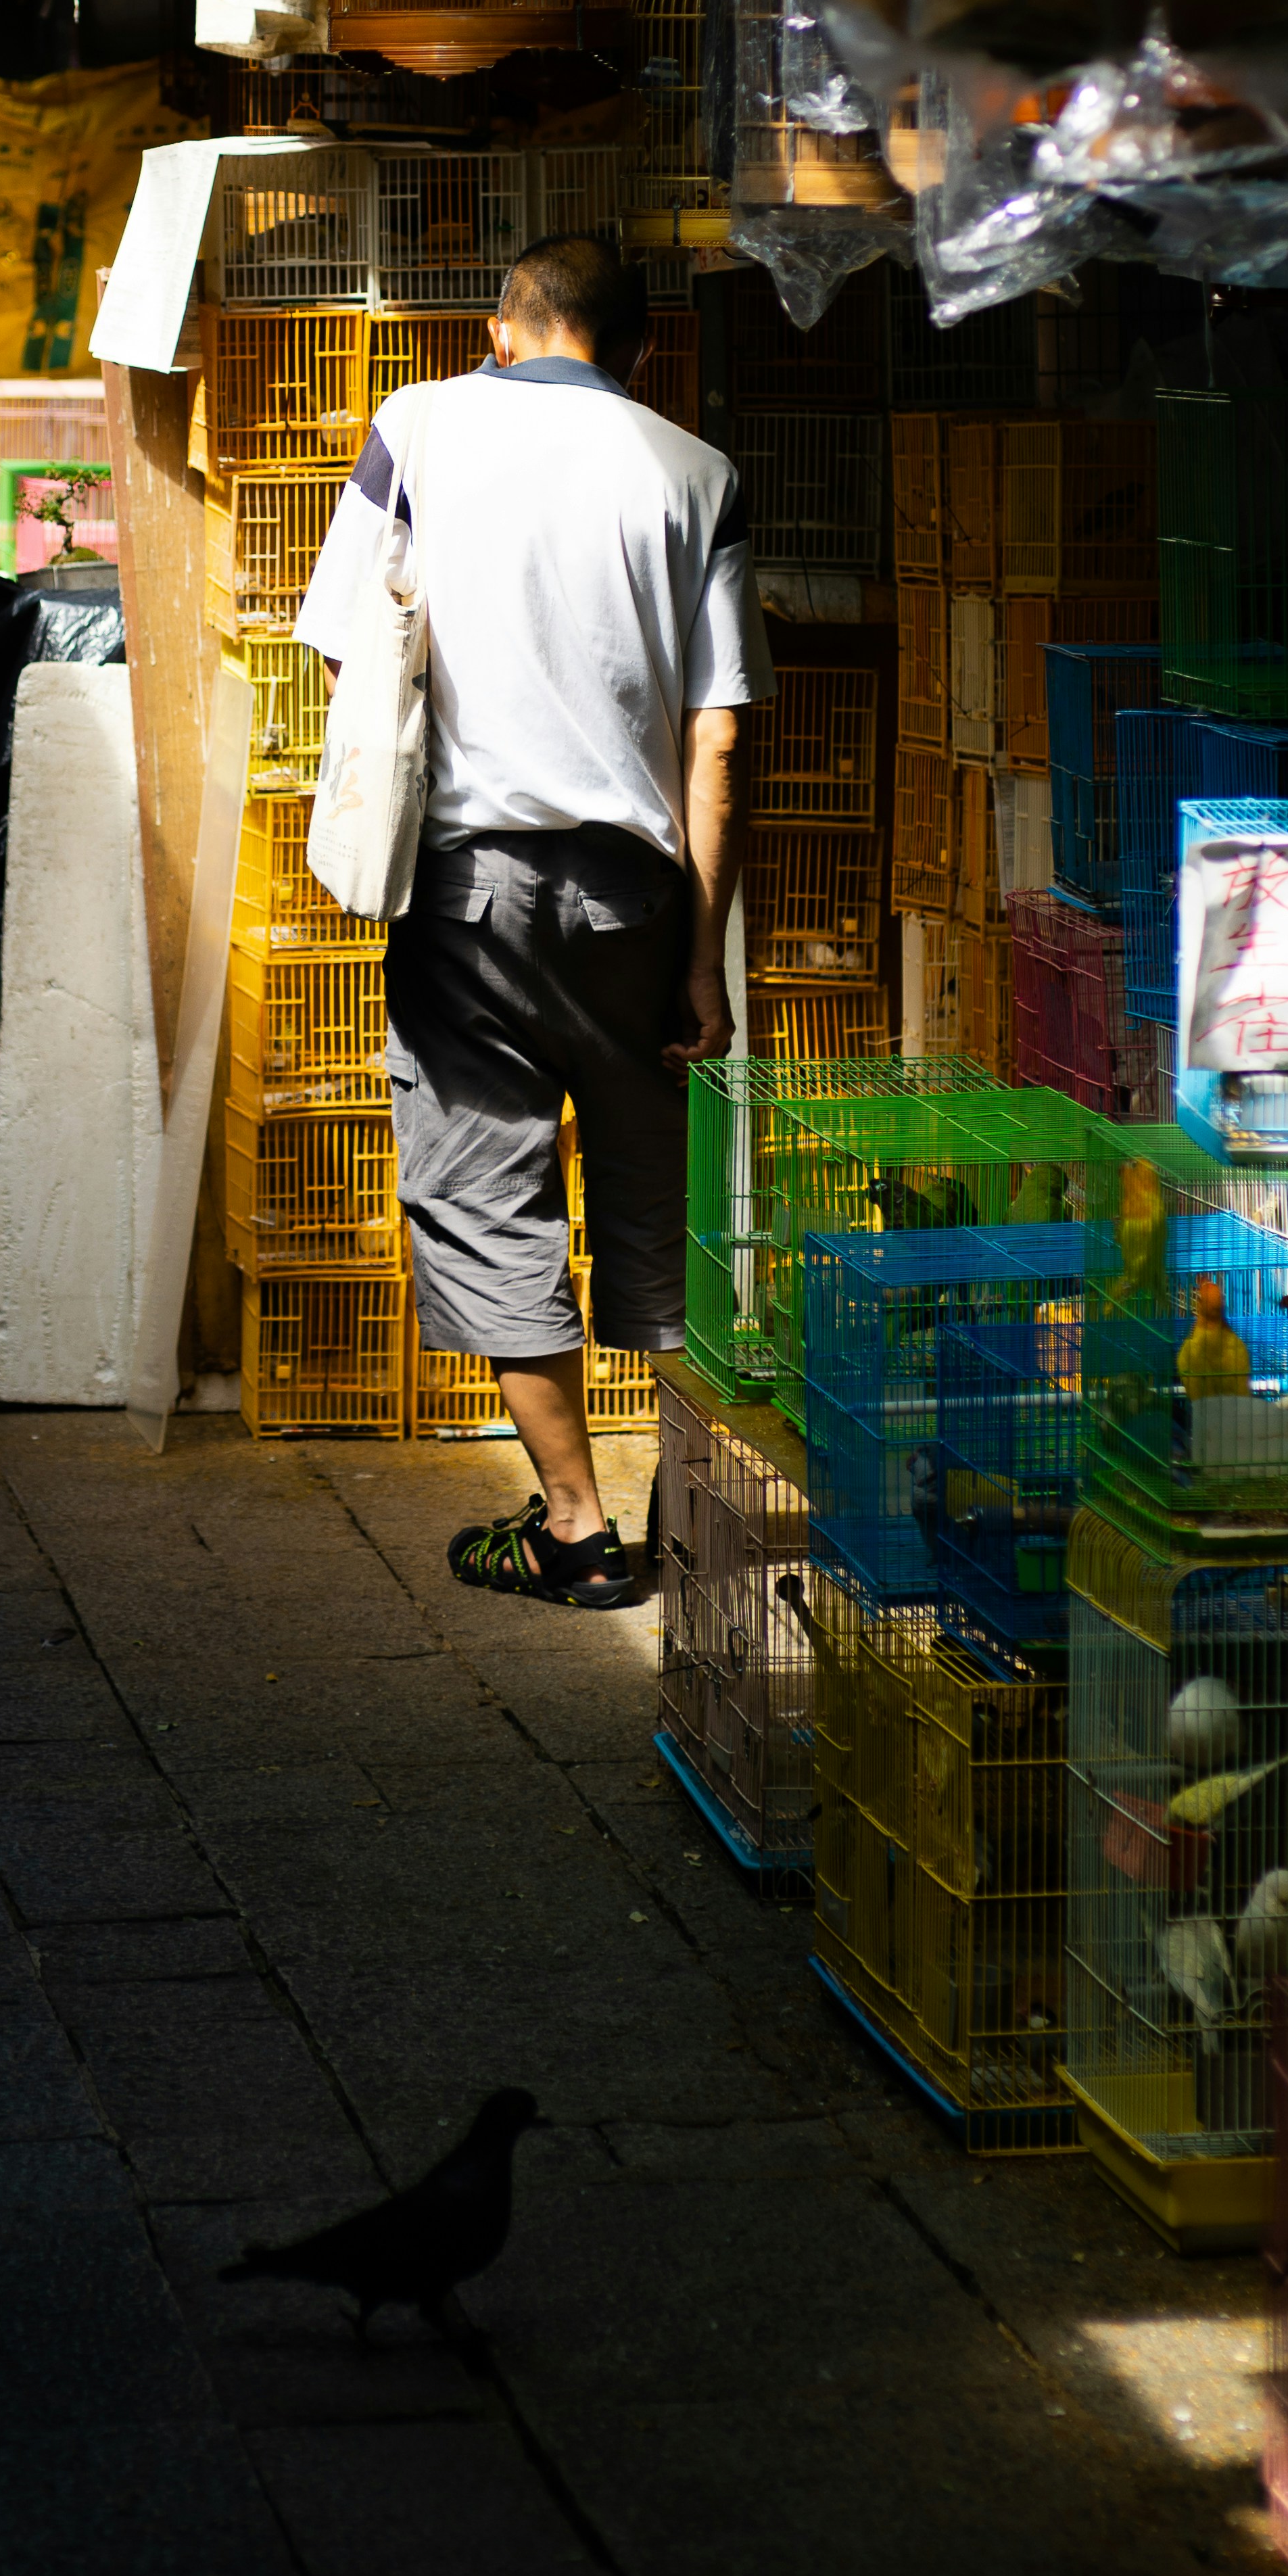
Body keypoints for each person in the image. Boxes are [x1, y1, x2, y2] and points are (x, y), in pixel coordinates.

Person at [293, 230, 768, 1611]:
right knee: (654, 1199)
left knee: (489, 1193)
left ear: (502, 328)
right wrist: (698, 956)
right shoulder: (698, 472)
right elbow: (718, 739)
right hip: (635, 898)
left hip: (465, 891)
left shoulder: (417, 424)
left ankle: (574, 1524)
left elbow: (344, 637)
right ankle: (705, 1503)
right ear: (639, 351)